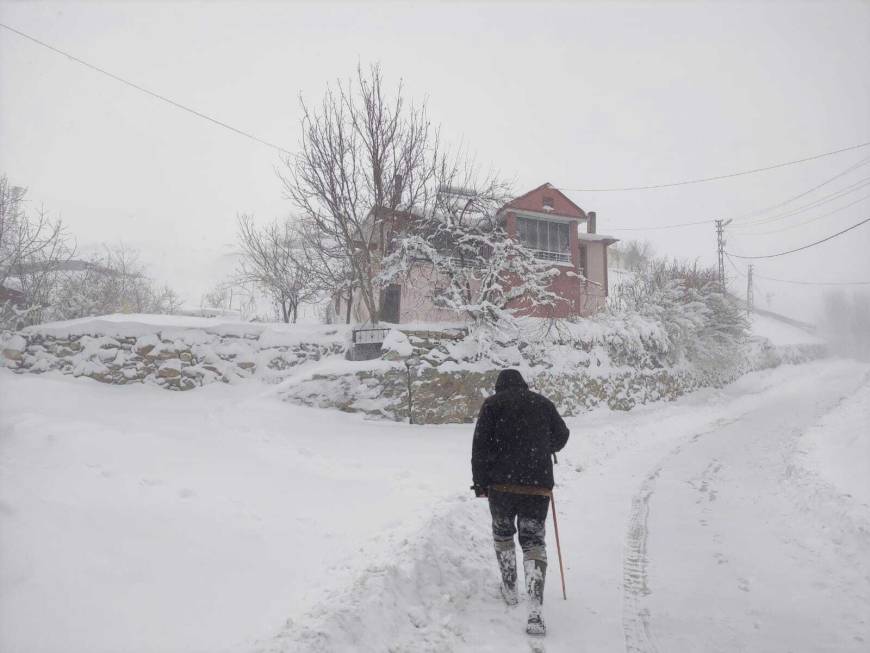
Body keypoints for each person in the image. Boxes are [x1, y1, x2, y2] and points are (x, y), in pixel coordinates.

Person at [471, 368, 570, 637]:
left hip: (501, 486)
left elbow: (479, 447)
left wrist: (481, 484)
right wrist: (542, 446)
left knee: (503, 534)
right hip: (536, 486)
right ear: (524, 384)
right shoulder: (542, 403)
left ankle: (510, 588)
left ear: (499, 386)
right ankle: (535, 607)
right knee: (533, 540)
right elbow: (562, 435)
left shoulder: (492, 405)